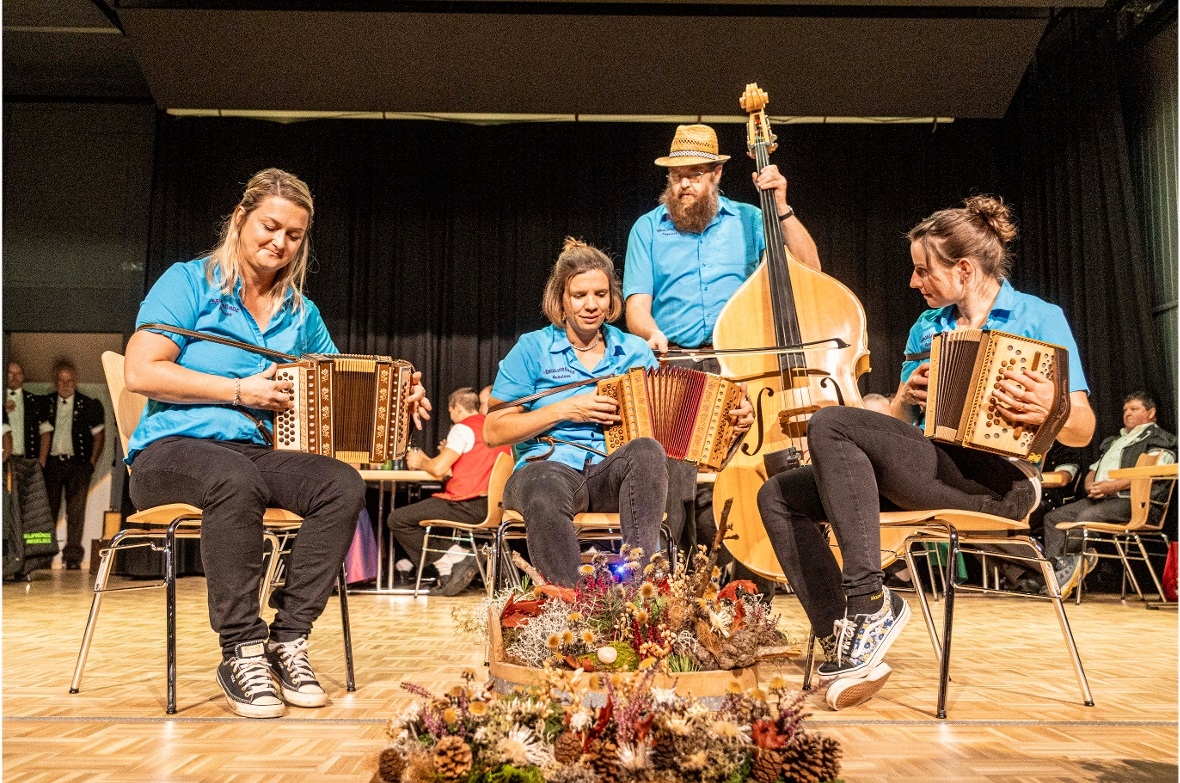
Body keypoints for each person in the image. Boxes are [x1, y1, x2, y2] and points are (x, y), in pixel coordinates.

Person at [756, 196, 1095, 710]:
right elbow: (894, 433)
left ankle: (869, 605)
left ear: (964, 269)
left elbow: (1083, 431)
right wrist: (902, 399)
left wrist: (1052, 406)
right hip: (931, 468)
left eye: (923, 270)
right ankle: (845, 641)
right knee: (778, 495)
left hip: (1003, 480)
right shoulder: (928, 328)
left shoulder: (1038, 317)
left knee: (830, 421)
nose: (915, 282)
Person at [123, 168, 430, 719]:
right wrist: (240, 390)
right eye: (269, 226)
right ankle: (241, 648)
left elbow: (339, 384)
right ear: (240, 219)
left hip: (255, 455)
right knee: (233, 479)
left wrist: (395, 399)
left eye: (293, 234)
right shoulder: (188, 283)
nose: (280, 242)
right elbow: (141, 371)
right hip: (169, 451)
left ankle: (288, 639)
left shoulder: (300, 312)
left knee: (341, 484)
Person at [484, 238, 752, 587]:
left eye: (601, 294)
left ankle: (637, 591)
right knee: (545, 487)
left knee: (647, 450)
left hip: (609, 473)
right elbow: (493, 430)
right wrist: (567, 409)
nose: (591, 305)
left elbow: (674, 426)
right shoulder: (533, 348)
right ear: (560, 300)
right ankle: (573, 603)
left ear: (612, 298)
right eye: (579, 295)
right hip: (546, 468)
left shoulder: (633, 350)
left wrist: (730, 423)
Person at [623, 124, 821, 563]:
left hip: (741, 364)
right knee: (674, 479)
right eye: (677, 175)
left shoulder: (751, 220)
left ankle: (749, 581)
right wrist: (651, 333)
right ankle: (670, 576)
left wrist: (781, 207)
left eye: (695, 174)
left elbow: (810, 272)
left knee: (744, 474)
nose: (684, 184)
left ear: (716, 174)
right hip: (675, 361)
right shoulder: (647, 228)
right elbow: (636, 306)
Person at [1040, 391, 1175, 597]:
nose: (1127, 414)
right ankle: (1057, 573)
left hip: (1133, 501)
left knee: (1087, 517)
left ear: (1151, 413)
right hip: (1101, 498)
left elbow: (1153, 473)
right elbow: (1093, 469)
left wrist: (1113, 486)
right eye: (1125, 410)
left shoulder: (1159, 439)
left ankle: (1074, 565)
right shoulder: (1115, 440)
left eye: (1134, 409)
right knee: (1053, 518)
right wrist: (1090, 484)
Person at [387, 387, 510, 595]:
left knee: (398, 519)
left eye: (450, 412)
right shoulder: (494, 428)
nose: (451, 417)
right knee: (429, 511)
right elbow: (458, 470)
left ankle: (458, 556)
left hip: (467, 504)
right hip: (495, 508)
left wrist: (419, 461)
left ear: (458, 408)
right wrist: (433, 458)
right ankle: (448, 569)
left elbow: (438, 469)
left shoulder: (462, 429)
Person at [42, 360, 106, 570]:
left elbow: (99, 436)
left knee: (76, 512)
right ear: (55, 382)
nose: (66, 385)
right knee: (47, 512)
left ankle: (72, 557)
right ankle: (44, 555)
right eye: (61, 381)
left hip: (78, 464)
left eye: (69, 381)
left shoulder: (88, 404)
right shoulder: (45, 403)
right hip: (52, 464)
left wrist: (91, 463)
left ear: (75, 381)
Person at [5, 361, 56, 572]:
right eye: (10, 373)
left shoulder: (34, 401)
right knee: (7, 510)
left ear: (24, 376)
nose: (14, 377)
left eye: (18, 373)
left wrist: (41, 460)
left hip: (25, 462)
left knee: (28, 510)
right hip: (4, 462)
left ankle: (26, 559)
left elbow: (46, 431)